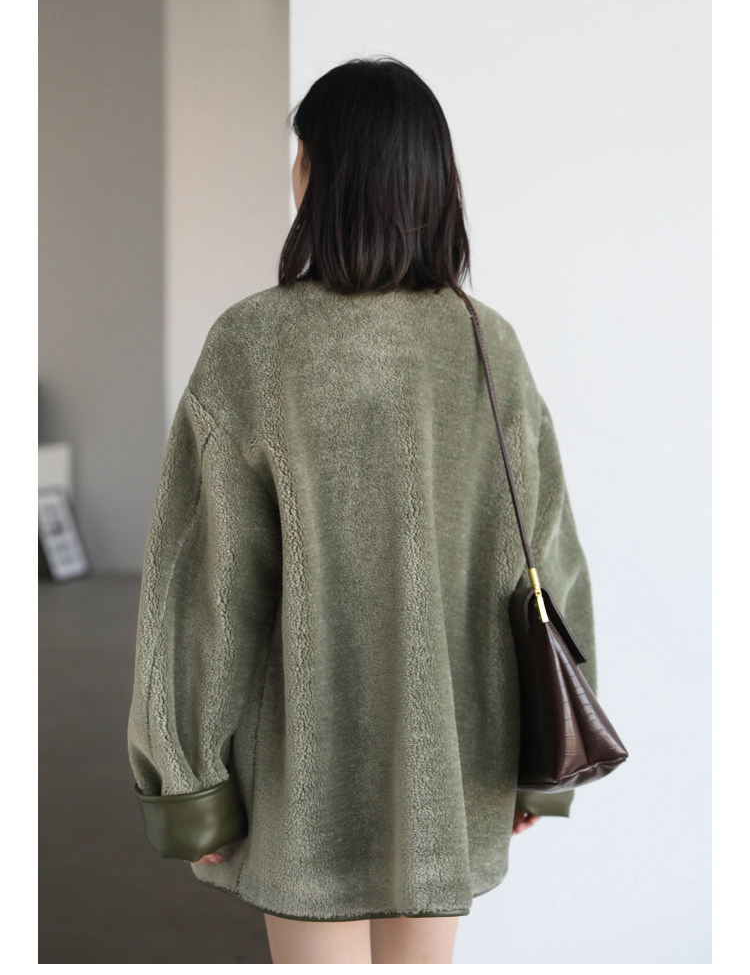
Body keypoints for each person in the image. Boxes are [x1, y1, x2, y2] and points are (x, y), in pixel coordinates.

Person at [126, 56, 597, 964]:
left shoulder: (254, 343)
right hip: (455, 761)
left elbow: (204, 587)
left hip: (301, 776)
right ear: (433, 183)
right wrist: (539, 763)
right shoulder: (487, 342)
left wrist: (186, 777)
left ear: (317, 173)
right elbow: (549, 562)